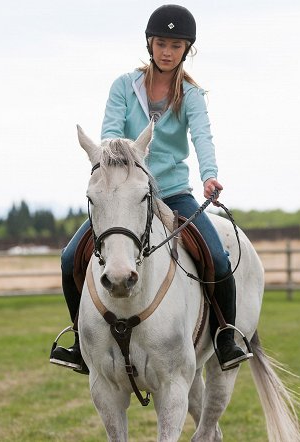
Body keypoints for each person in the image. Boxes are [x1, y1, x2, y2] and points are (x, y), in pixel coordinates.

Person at [50, 4, 252, 373]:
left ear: (185, 49)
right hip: (125, 193)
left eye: (176, 45)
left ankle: (225, 336)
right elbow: (111, 135)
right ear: (149, 44)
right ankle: (80, 341)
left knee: (218, 259)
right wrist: (121, 173)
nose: (167, 51)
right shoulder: (123, 87)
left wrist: (210, 174)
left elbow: (203, 137)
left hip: (173, 192)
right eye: (161, 43)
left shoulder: (191, 94)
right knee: (68, 259)